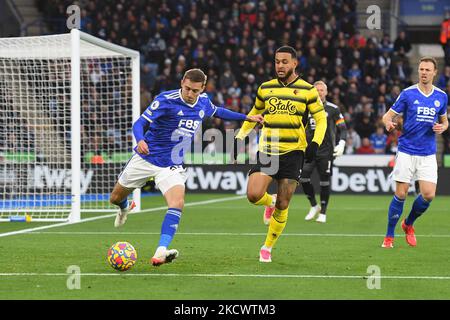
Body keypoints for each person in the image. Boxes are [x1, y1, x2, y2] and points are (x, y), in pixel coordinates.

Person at [109, 68, 264, 266]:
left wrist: (247, 118)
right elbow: (139, 123)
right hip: (146, 158)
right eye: (188, 89)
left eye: (195, 91)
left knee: (177, 202)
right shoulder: (165, 100)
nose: (190, 94)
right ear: (182, 82)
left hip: (171, 164)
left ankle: (161, 251)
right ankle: (124, 208)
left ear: (202, 89)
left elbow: (219, 112)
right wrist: (140, 140)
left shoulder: (203, 102)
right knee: (115, 198)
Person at [235, 46, 327, 262]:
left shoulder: (307, 90)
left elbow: (321, 119)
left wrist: (315, 142)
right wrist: (240, 137)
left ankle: (267, 247)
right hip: (268, 150)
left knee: (284, 204)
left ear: (295, 63)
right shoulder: (265, 88)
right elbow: (254, 113)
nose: (280, 66)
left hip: (294, 152)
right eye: (277, 61)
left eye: (285, 62)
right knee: (253, 195)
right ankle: (270, 200)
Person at [381, 57, 448, 248]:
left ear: (435, 72)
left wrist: (443, 127)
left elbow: (445, 121)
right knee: (401, 193)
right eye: (421, 69)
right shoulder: (408, 94)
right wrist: (388, 123)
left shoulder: (441, 96)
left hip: (427, 153)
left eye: (428, 70)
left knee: (428, 195)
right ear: (418, 71)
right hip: (406, 151)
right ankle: (389, 236)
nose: (424, 72)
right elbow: (387, 115)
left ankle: (408, 224)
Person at [300, 81, 348, 223]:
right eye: (317, 90)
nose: (319, 92)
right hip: (309, 150)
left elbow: (343, 128)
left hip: (326, 152)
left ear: (326, 92)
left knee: (324, 181)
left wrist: (342, 143)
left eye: (322, 90)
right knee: (303, 178)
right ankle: (314, 206)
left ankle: (323, 212)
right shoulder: (306, 107)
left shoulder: (333, 109)